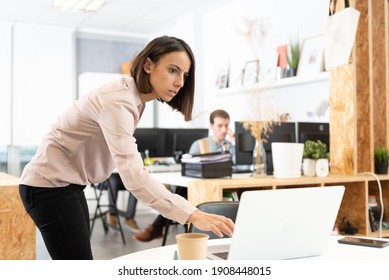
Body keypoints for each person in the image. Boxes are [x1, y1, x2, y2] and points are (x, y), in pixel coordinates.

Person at [18, 35, 234, 260]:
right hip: (47, 187)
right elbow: (134, 178)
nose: (180, 82)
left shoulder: (134, 99)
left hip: (67, 186)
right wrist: (192, 214)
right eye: (173, 70)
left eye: (184, 75)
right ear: (148, 65)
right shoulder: (118, 101)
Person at [133, 109, 236, 242]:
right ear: (212, 126)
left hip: (221, 184)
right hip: (195, 186)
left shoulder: (229, 146)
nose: (223, 130)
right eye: (220, 125)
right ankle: (157, 228)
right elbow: (189, 167)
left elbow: (241, 166)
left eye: (226, 126)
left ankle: (156, 228)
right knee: (181, 191)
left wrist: (235, 143)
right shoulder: (200, 145)